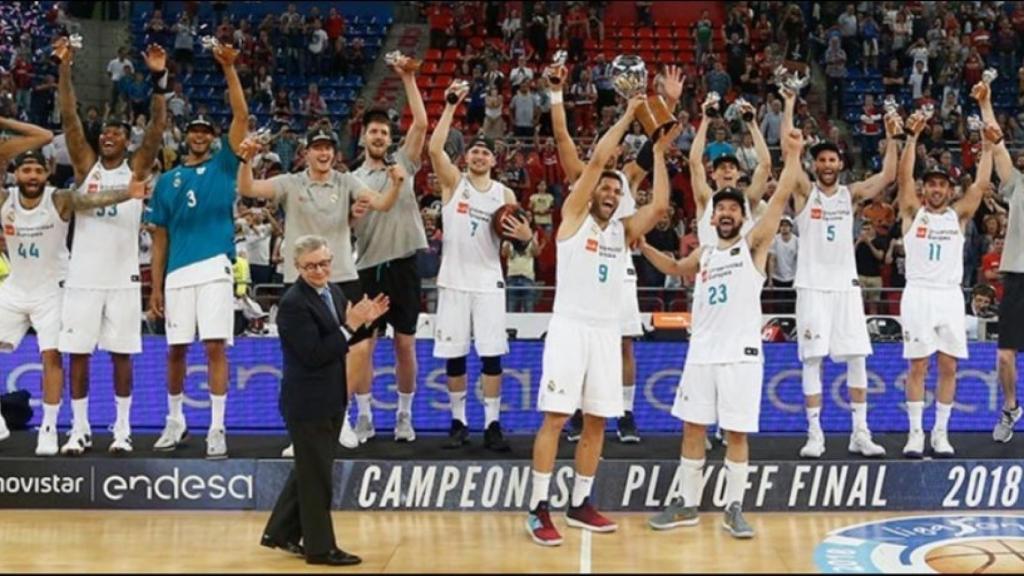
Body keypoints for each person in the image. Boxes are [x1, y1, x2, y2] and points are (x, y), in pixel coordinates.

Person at [525, 98, 673, 546]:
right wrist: (630, 115)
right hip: (570, 328)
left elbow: (661, 206)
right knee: (554, 418)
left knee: (596, 422)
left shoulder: (623, 231)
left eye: (615, 190)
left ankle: (580, 502)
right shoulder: (572, 218)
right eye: (603, 188)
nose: (609, 192)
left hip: (606, 334)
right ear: (591, 193)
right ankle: (537, 508)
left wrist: (661, 152)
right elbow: (596, 161)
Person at [645, 128, 804, 539]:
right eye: (721, 210)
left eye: (734, 208)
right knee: (692, 428)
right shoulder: (706, 252)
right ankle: (687, 505)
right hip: (701, 353)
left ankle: (734, 507)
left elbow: (782, 194)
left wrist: (793, 156)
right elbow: (676, 269)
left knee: (736, 432)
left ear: (741, 215)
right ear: (712, 218)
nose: (728, 213)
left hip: (740, 355)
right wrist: (641, 245)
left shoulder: (754, 245)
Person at [237, 126, 406, 453]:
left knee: (356, 350)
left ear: (335, 152)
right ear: (306, 152)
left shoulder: (345, 182)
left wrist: (397, 184)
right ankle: (301, 432)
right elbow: (247, 187)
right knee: (302, 359)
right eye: (317, 147)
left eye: (329, 147)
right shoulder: (290, 182)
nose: (324, 153)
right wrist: (245, 159)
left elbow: (383, 204)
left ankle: (338, 416)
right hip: (299, 281)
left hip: (341, 275)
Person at [547, 62, 684, 444]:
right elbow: (560, 136)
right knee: (580, 337)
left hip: (618, 262)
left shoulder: (627, 175)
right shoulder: (581, 176)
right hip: (581, 263)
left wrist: (669, 101)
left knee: (622, 343)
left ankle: (624, 412)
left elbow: (662, 142)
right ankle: (575, 409)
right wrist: (556, 93)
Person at [52, 40, 167, 455]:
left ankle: (122, 428)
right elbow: (68, 117)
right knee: (78, 356)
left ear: (127, 139)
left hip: (122, 277)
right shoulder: (87, 166)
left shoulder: (138, 167)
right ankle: (78, 429)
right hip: (82, 277)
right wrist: (65, 69)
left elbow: (155, 128)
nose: (110, 137)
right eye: (106, 133)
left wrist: (159, 81)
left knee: (122, 357)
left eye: (118, 133)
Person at [780, 84, 899, 459]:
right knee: (812, 359)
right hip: (812, 287)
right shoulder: (803, 192)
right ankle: (814, 434)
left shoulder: (851, 195)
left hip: (846, 288)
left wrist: (892, 135)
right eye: (822, 161)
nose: (827, 165)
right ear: (815, 165)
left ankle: (859, 432)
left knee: (857, 358)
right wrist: (787, 106)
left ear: (841, 165)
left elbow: (889, 176)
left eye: (833, 160)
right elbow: (788, 152)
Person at [0, 149, 146, 453]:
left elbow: (90, 201)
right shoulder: (5, 199)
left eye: (37, 171)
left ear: (48, 172)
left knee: (52, 357)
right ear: (16, 174)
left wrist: (127, 193)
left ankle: (49, 429)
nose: (32, 176)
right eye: (26, 170)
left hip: (53, 289)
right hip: (14, 288)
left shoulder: (60, 198)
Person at [146, 42, 248, 459]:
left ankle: (217, 427)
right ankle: (175, 420)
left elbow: (241, 116)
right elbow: (160, 237)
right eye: (195, 131)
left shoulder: (226, 164)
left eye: (207, 131)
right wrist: (155, 285)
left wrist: (229, 69)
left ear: (214, 137)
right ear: (186, 136)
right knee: (175, 349)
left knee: (214, 347)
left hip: (214, 269)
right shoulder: (167, 180)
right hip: (176, 274)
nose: (201, 135)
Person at [261, 235, 388, 567]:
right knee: (317, 478)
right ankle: (320, 548)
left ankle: (281, 532)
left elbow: (344, 340)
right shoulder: (293, 304)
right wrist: (351, 325)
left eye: (324, 263)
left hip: (331, 396)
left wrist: (366, 322)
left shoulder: (333, 291)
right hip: (307, 403)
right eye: (311, 266)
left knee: (309, 470)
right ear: (297, 267)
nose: (320, 270)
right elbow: (315, 354)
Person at [428, 80, 534, 451]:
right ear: (467, 158)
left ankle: (492, 424)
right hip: (454, 282)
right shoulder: (453, 184)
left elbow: (527, 244)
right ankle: (458, 421)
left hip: (489, 282)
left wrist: (525, 235)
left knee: (491, 357)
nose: (478, 156)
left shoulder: (505, 195)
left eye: (484, 153)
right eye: (473, 151)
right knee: (455, 357)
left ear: (493, 160)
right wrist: (451, 106)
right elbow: (434, 147)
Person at [896, 107, 994, 457]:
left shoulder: (959, 215)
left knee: (949, 365)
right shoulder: (912, 212)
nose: (936, 189)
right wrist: (911, 139)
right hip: (919, 293)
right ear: (925, 189)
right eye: (932, 184)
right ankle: (914, 434)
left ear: (950, 189)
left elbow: (981, 184)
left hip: (950, 295)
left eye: (942, 184)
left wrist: (985, 142)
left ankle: (940, 433)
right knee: (918, 366)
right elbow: (904, 180)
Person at [346, 53, 429, 446]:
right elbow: (342, 225)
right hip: (368, 269)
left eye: (384, 132)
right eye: (373, 131)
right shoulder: (349, 179)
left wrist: (409, 79)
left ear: (389, 138)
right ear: (363, 137)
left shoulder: (404, 164)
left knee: (405, 345)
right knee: (363, 347)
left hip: (404, 266)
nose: (379, 136)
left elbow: (423, 124)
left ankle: (404, 415)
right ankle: (363, 417)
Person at [975, 79, 1024, 442]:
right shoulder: (1017, 184)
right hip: (1018, 279)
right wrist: (985, 103)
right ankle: (1010, 408)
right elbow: (996, 140)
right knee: (1005, 357)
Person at [767, 216, 799, 313]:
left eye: (786, 225)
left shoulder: (797, 241)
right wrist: (770, 279)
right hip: (778, 278)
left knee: (792, 306)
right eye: (782, 225)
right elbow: (771, 259)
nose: (784, 228)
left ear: (790, 227)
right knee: (779, 307)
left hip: (792, 278)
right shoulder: (775, 240)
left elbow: (799, 261)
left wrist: (798, 278)